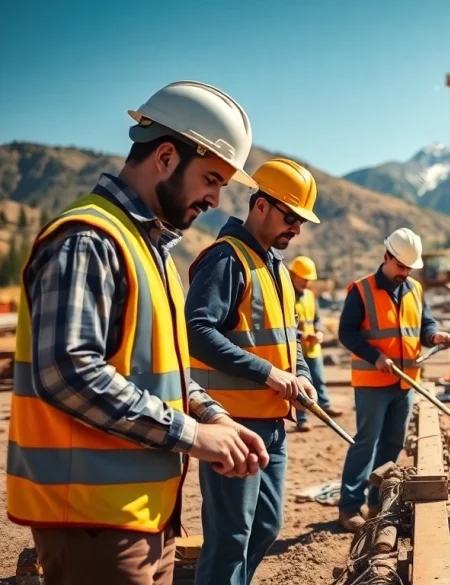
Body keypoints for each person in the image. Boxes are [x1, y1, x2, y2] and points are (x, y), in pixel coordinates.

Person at [5, 80, 269, 585]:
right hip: (90, 518)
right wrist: (193, 436)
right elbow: (67, 372)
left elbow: (158, 370)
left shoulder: (152, 250)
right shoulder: (89, 239)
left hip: (141, 513)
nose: (216, 198)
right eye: (212, 178)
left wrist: (215, 416)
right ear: (166, 157)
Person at [185, 157, 321, 585]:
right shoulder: (226, 259)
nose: (296, 229)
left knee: (265, 527)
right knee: (230, 537)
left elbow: (290, 336)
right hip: (234, 421)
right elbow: (196, 330)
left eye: (300, 221)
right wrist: (267, 373)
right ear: (260, 205)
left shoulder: (276, 266)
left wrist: (301, 374)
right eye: (290, 217)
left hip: (272, 422)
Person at [337, 228, 450, 531]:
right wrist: (375, 356)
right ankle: (350, 506)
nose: (405, 272)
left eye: (409, 268)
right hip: (373, 383)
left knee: (393, 443)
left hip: (405, 383)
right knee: (365, 442)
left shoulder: (414, 289)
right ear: (386, 256)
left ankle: (377, 502)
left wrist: (434, 335)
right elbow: (346, 333)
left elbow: (424, 323)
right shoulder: (361, 291)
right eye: (400, 266)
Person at [289, 255, 344, 432]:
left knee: (319, 380)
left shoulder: (310, 296)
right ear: (293, 275)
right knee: (300, 386)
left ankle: (325, 406)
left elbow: (317, 319)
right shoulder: (285, 295)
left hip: (313, 348)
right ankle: (302, 419)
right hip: (295, 349)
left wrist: (319, 332)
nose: (306, 283)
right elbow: (282, 324)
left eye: (309, 279)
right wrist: (301, 335)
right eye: (303, 279)